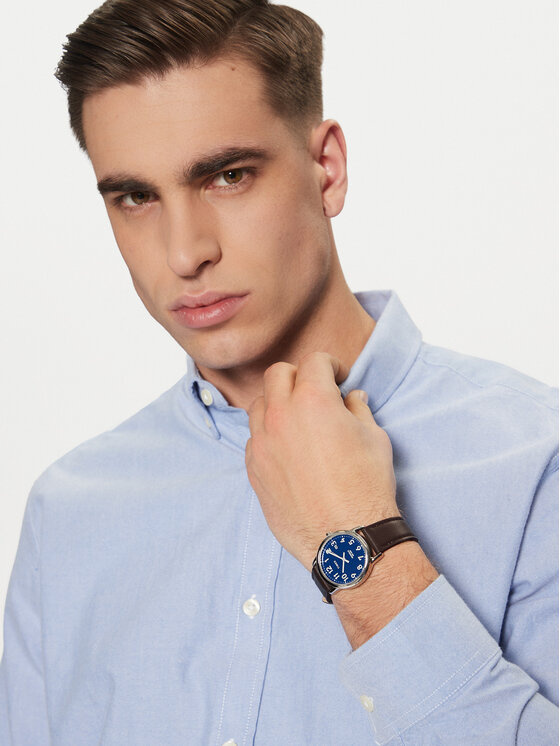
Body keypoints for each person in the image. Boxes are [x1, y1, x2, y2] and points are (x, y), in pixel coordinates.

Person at [0, 0, 557, 743]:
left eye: (228, 176)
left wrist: (357, 545)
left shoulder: (537, 466)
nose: (184, 253)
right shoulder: (68, 516)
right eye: (135, 197)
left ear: (326, 170)